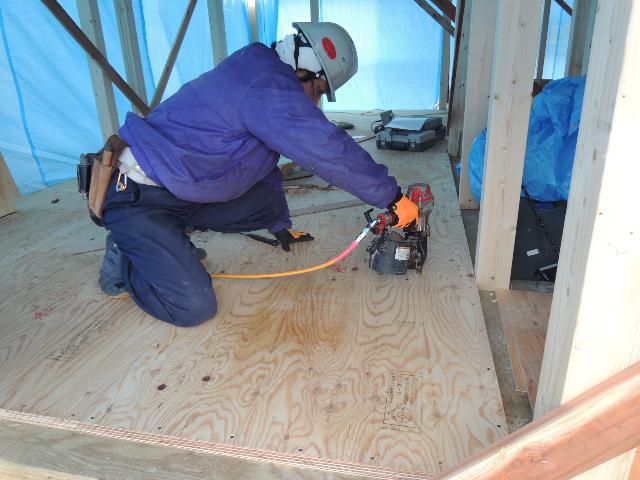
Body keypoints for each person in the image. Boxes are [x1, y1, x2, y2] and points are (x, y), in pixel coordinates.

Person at [98, 22, 419, 327]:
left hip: (179, 185)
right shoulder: (265, 84)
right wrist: (391, 197)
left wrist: (279, 225)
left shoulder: (261, 72)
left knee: (265, 203)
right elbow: (326, 148)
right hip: (138, 194)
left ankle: (167, 239)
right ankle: (127, 252)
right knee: (193, 306)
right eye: (319, 89)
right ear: (306, 68)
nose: (316, 100)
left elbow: (258, 164)